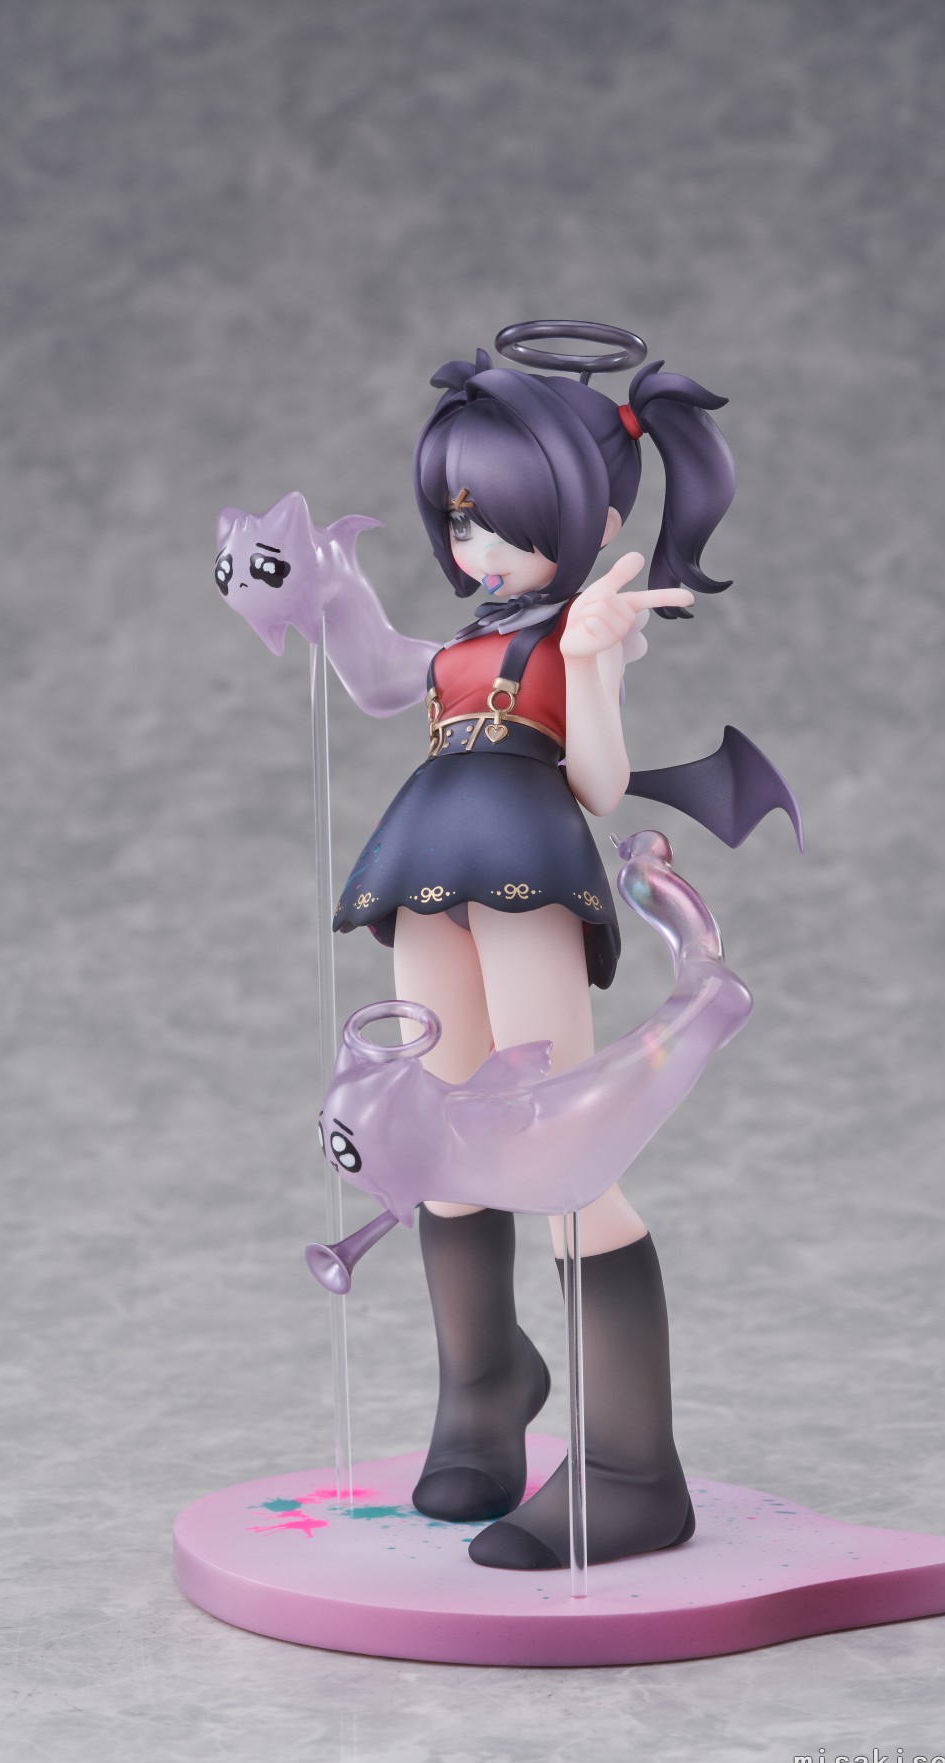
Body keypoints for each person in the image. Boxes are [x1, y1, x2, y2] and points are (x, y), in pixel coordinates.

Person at [330, 325, 739, 1570]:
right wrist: (320, 588)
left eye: (502, 520)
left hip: (523, 869)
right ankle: (483, 1390)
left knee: (557, 1148)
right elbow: (376, 675)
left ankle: (630, 1467)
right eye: (459, 519)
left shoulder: (576, 631)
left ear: (590, 517)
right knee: (436, 1121)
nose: (476, 547)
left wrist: (595, 659)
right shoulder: (469, 636)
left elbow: (599, 783)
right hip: (423, 867)